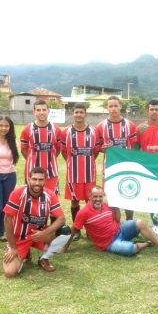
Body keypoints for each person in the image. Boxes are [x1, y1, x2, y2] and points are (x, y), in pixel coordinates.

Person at [61, 185, 158, 258]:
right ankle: (147, 243)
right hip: (108, 243)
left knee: (139, 222)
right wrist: (64, 249)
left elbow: (117, 219)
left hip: (119, 230)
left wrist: (115, 206)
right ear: (89, 197)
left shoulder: (106, 206)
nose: (98, 199)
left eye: (100, 197)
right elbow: (72, 231)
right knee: (130, 249)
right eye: (95, 197)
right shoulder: (83, 212)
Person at [2, 167, 71, 277]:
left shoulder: (49, 195)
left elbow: (61, 219)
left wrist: (44, 233)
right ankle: (20, 250)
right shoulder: (18, 193)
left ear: (45, 181)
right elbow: (7, 218)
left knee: (65, 231)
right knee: (10, 273)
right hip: (20, 237)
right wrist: (13, 247)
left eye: (40, 180)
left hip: (38, 234)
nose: (37, 183)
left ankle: (44, 258)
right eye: (34, 179)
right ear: (28, 179)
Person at [61, 103, 100, 241]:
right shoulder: (66, 132)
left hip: (89, 173)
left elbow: (95, 152)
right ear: (73, 114)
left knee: (91, 201)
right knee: (74, 202)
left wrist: (87, 161)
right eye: (76, 112)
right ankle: (76, 229)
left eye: (81, 112)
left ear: (86, 114)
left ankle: (91, 229)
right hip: (73, 174)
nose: (78, 115)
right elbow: (63, 151)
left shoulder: (94, 131)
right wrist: (73, 162)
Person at [97, 96, 138, 220]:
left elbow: (134, 147)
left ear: (120, 106)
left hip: (126, 167)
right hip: (109, 168)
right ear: (107, 108)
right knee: (112, 197)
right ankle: (116, 225)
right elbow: (98, 147)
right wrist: (102, 148)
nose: (113, 109)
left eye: (116, 106)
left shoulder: (129, 125)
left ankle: (129, 223)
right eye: (111, 106)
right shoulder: (101, 126)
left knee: (128, 195)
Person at [20, 100, 62, 195]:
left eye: (44, 110)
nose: (41, 112)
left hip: (51, 171)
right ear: (34, 112)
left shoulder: (56, 129)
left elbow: (57, 149)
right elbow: (24, 149)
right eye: (38, 110)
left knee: (51, 198)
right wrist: (33, 159)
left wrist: (49, 159)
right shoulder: (27, 129)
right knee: (31, 198)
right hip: (32, 171)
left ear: (48, 111)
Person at [0, 116, 19, 246]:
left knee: (5, 207)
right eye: (1, 125)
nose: (3, 128)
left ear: (10, 127)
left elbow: (14, 158)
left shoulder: (12, 140)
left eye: (6, 126)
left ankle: (0, 234)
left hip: (9, 176)